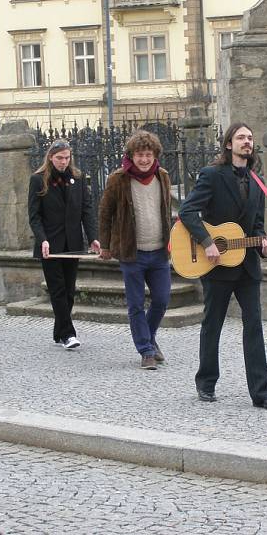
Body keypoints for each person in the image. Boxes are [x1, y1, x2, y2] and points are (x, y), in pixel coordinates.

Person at [177, 122, 267, 411]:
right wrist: (207, 240)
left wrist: (265, 247)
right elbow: (187, 211)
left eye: (250, 137)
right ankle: (206, 382)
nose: (246, 142)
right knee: (213, 324)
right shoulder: (212, 175)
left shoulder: (258, 182)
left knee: (254, 328)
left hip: (247, 266)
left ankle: (262, 393)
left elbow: (258, 227)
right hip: (217, 264)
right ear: (228, 144)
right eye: (240, 137)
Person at [98, 130, 172, 370]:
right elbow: (105, 213)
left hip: (159, 251)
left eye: (148, 154)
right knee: (136, 304)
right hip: (132, 252)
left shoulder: (163, 176)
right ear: (131, 155)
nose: (144, 159)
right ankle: (146, 350)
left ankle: (148, 337)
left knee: (161, 300)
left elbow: (167, 210)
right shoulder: (118, 179)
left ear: (155, 155)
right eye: (140, 155)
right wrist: (106, 245)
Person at [28, 139, 100, 350]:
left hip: (73, 242)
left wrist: (93, 236)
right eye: (59, 158)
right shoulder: (38, 180)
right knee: (57, 290)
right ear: (51, 157)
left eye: (67, 158)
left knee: (68, 290)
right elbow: (34, 216)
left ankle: (59, 331)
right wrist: (43, 239)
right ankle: (69, 333)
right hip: (49, 245)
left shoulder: (76, 178)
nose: (63, 162)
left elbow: (86, 209)